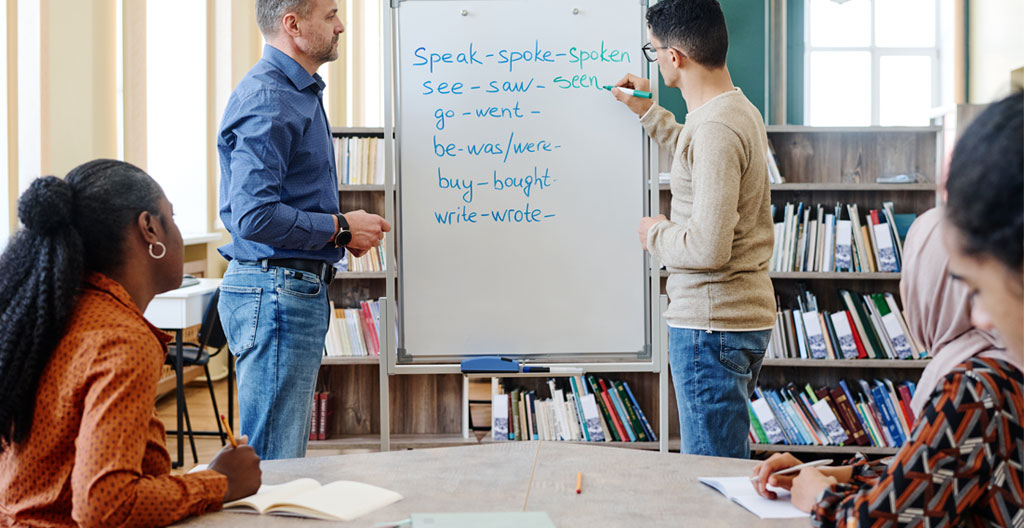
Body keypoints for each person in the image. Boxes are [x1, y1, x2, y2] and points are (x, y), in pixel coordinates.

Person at [751, 92, 1023, 526]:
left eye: (978, 286)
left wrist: (824, 498)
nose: (980, 316)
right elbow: (931, 477)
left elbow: (890, 519)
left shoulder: (977, 384)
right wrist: (835, 472)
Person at [0, 160, 261, 526]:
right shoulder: (122, 340)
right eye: (173, 217)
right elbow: (104, 505)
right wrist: (218, 483)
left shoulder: (48, 317)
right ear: (150, 229)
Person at [218, 0, 391, 460]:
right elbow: (254, 215)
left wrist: (340, 233)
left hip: (286, 288)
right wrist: (339, 229)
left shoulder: (296, 93)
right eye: (330, 15)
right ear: (292, 24)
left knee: (281, 455)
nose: (341, 26)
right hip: (277, 291)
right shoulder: (270, 97)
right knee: (276, 461)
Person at [610, 0, 775, 458]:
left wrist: (656, 234)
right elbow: (694, 151)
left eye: (654, 50)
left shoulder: (717, 128)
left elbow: (708, 247)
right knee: (719, 468)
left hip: (711, 324)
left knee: (710, 478)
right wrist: (647, 110)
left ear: (675, 57)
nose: (655, 58)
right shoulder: (731, 112)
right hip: (727, 322)